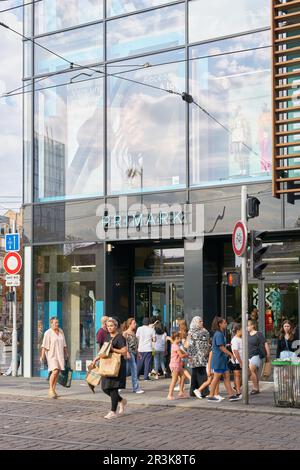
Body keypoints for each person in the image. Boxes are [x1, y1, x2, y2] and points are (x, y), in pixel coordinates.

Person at [91, 317, 128, 420]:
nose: (110, 327)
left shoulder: (120, 337)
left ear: (116, 326)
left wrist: (113, 349)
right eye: (108, 326)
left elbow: (124, 351)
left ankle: (113, 411)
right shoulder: (107, 337)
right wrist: (95, 359)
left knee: (113, 389)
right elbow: (104, 350)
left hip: (116, 366)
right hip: (107, 365)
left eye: (112, 326)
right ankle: (121, 400)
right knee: (105, 388)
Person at [207, 316, 241, 402]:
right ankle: (211, 395)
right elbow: (221, 347)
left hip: (222, 359)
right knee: (217, 377)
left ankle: (231, 395)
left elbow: (222, 346)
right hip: (218, 358)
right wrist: (231, 354)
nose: (226, 324)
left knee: (226, 376)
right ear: (220, 324)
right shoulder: (218, 334)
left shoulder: (220, 333)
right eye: (224, 323)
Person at [40, 317, 69, 399]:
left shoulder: (61, 331)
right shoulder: (48, 333)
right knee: (55, 371)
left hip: (60, 355)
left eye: (57, 322)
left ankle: (53, 390)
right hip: (52, 355)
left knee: (57, 372)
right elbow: (44, 346)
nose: (57, 324)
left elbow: (64, 344)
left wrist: (66, 353)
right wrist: (42, 356)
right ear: (51, 323)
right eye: (55, 323)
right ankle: (50, 389)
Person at [186, 316, 211, 398]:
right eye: (200, 321)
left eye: (202, 321)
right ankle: (203, 392)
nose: (202, 323)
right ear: (195, 322)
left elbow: (207, 343)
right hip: (195, 356)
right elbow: (187, 345)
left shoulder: (196, 332)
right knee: (199, 373)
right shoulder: (200, 331)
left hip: (199, 356)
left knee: (197, 373)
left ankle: (194, 391)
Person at [248, 319, 270, 395]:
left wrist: (268, 355)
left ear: (252, 326)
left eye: (248, 325)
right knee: (254, 372)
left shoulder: (258, 334)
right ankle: (257, 388)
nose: (246, 327)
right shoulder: (246, 334)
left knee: (251, 371)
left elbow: (265, 344)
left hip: (256, 355)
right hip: (249, 356)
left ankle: (255, 388)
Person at [123, 318, 144, 394]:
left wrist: (138, 353)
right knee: (134, 370)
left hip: (133, 353)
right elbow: (124, 344)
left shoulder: (133, 333)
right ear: (129, 324)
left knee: (126, 371)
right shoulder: (125, 333)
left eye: (135, 323)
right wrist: (127, 352)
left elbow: (135, 345)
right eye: (134, 323)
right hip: (129, 353)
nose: (135, 324)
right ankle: (136, 388)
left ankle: (118, 385)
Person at [167, 332, 188, 400]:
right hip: (175, 365)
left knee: (183, 377)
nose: (179, 339)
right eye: (177, 338)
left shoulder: (176, 345)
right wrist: (186, 355)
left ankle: (181, 392)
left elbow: (182, 352)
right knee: (174, 380)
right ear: (174, 339)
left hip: (178, 364)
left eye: (179, 338)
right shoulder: (175, 346)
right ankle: (169, 395)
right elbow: (181, 355)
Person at [230, 324, 243, 397]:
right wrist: (240, 361)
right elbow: (235, 351)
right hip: (237, 361)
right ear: (238, 331)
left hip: (242, 360)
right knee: (237, 375)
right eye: (242, 330)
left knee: (247, 374)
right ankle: (238, 392)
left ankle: (237, 387)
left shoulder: (241, 338)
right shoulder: (235, 339)